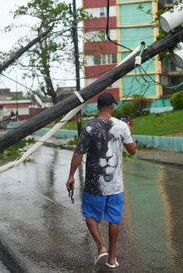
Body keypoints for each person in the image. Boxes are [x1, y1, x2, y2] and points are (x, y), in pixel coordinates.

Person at [66, 92, 136, 269]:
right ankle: (112, 258)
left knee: (90, 215)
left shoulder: (89, 127)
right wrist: (130, 131)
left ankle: (101, 247)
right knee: (114, 220)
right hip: (116, 186)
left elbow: (78, 153)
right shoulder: (122, 126)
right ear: (112, 107)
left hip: (94, 185)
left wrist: (71, 175)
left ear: (98, 107)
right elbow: (132, 151)